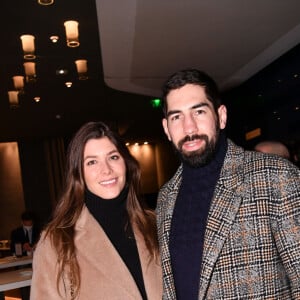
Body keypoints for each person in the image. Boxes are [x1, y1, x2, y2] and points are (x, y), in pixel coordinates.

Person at [156, 69, 300, 299]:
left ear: (221, 116)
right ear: (167, 129)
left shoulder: (275, 175)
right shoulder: (165, 198)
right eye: (177, 117)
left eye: (199, 111)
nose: (189, 128)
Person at [30, 121, 162, 300]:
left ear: (126, 163)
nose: (106, 170)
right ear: (79, 174)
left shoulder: (155, 226)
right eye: (92, 162)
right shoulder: (56, 242)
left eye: (113, 157)